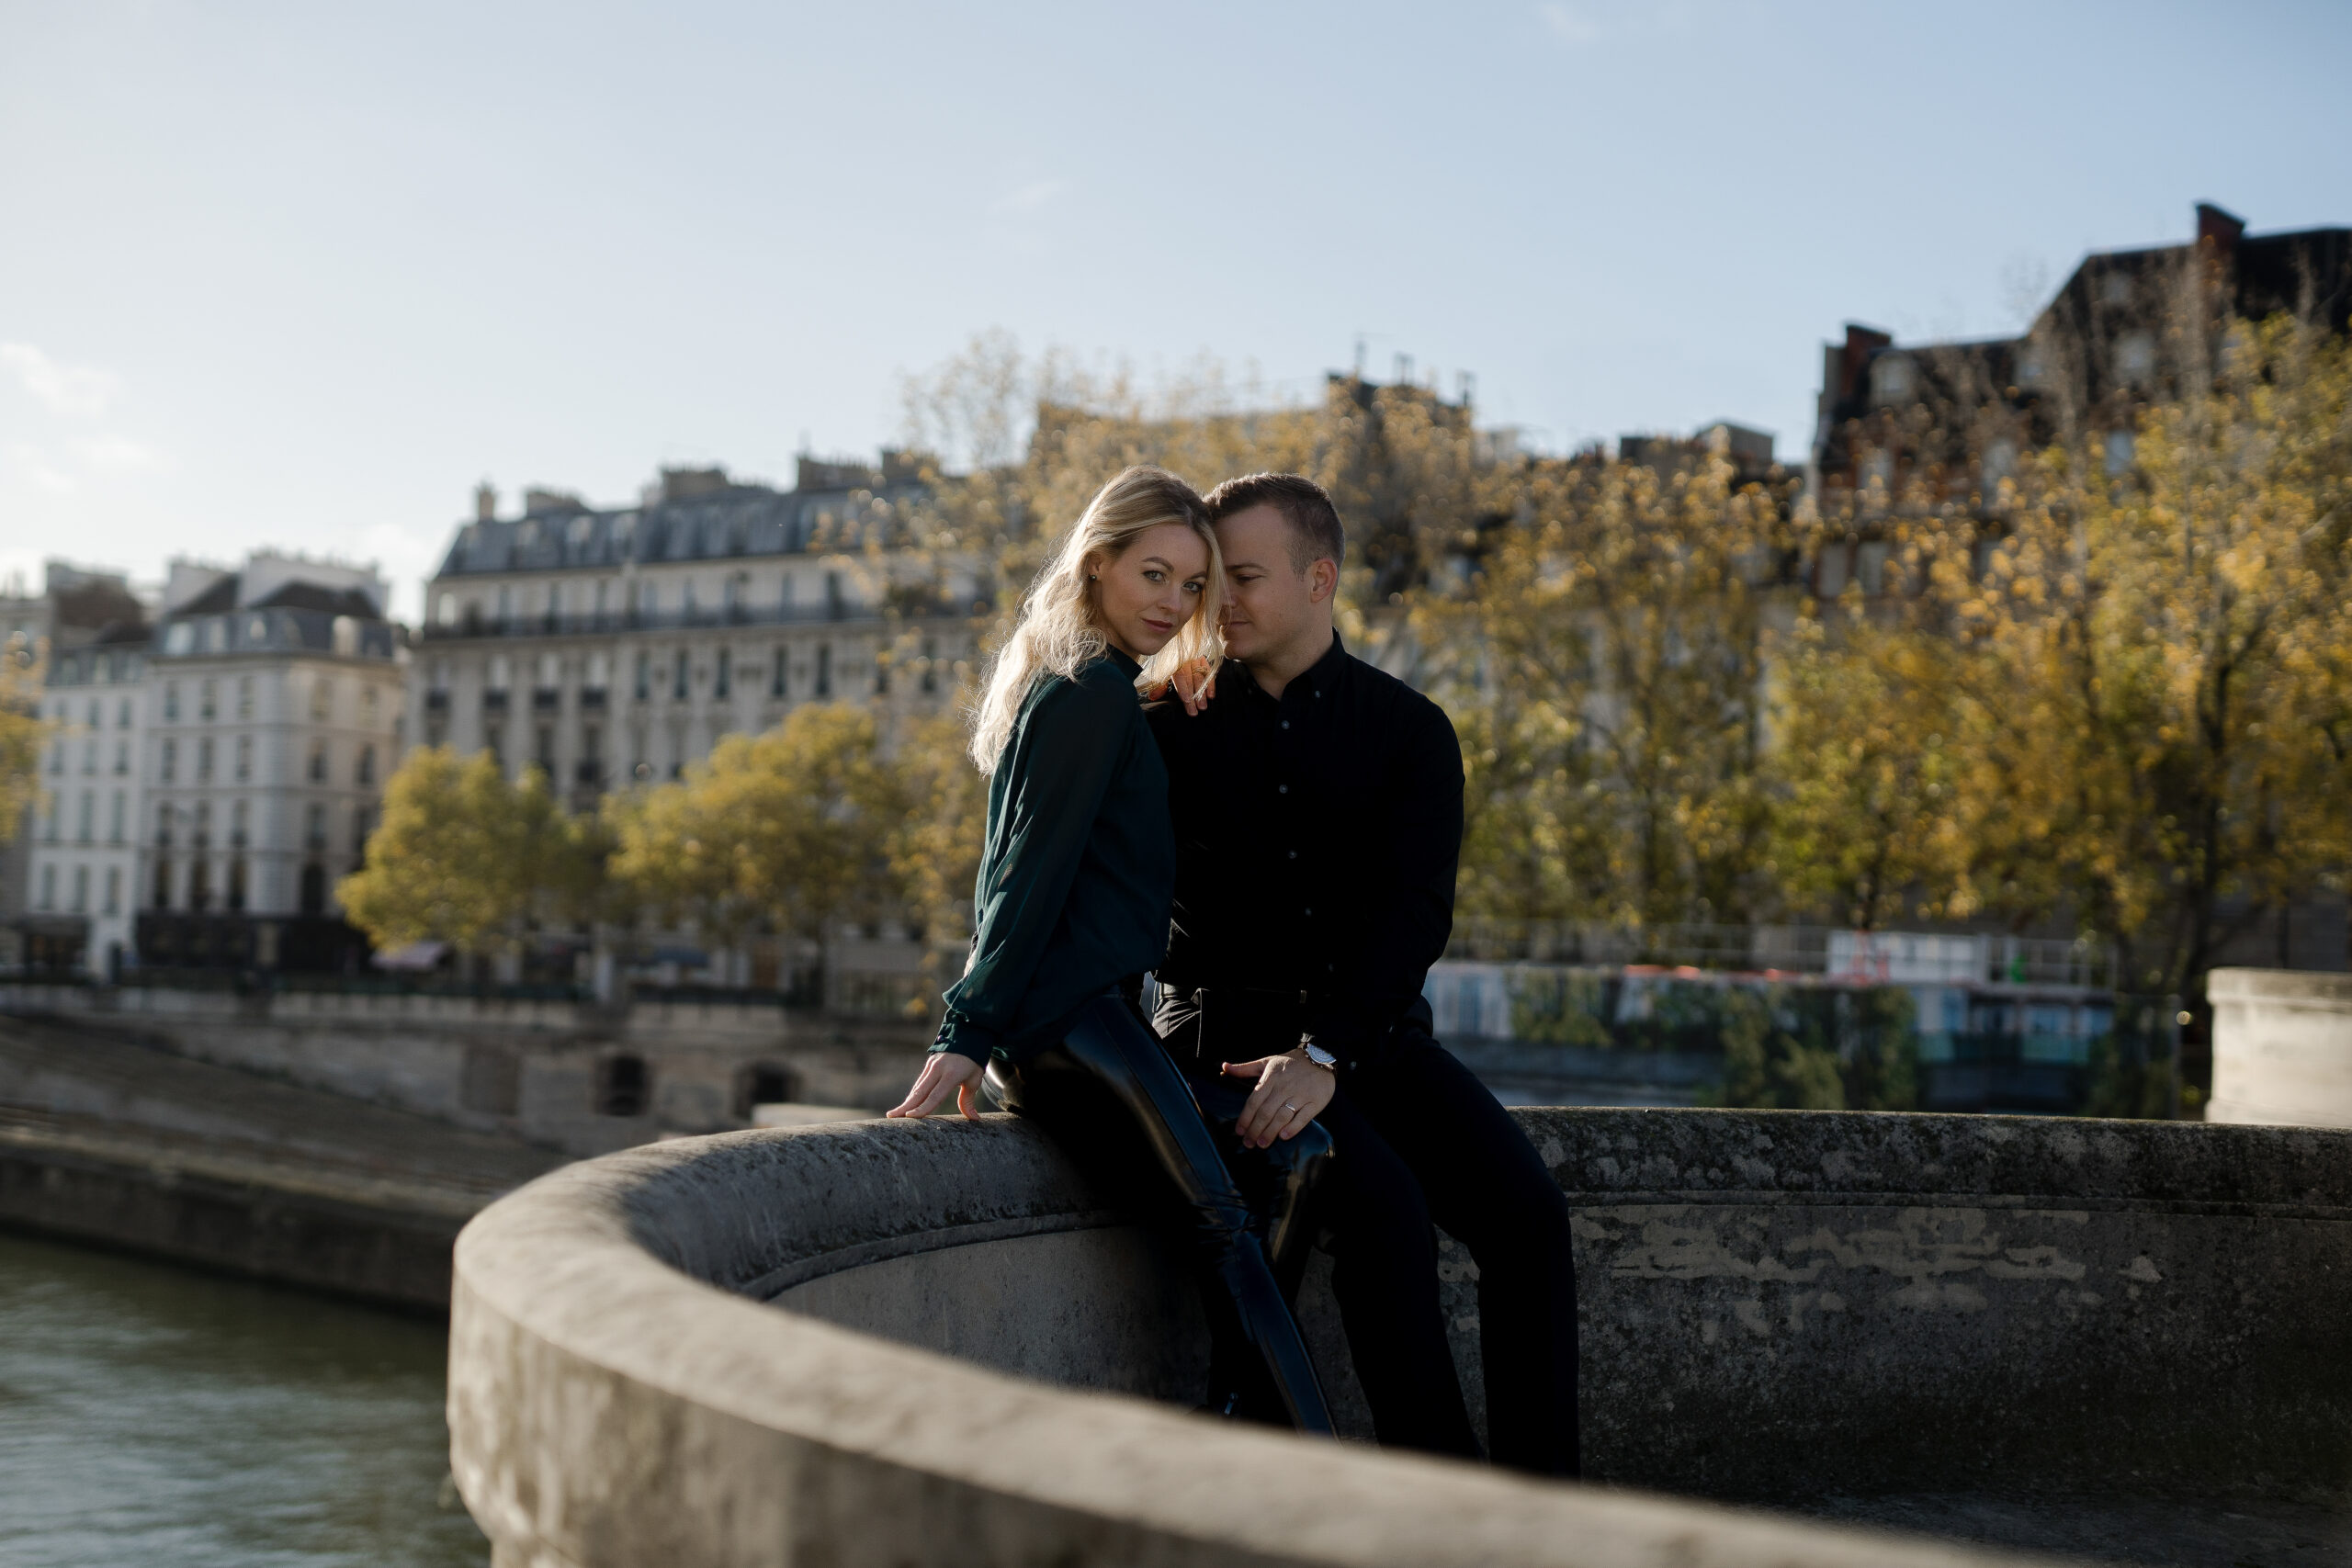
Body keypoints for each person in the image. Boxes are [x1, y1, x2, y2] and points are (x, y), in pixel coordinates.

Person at [1148, 471, 1582, 1477]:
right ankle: (1443, 1507)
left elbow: (1413, 916)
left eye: (1243, 578)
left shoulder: (1410, 729)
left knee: (1529, 1215)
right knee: (1382, 1211)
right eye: (1213, 581)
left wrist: (1328, 1052)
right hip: (1219, 1045)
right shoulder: (1164, 724)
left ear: (1320, 579)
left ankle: (1547, 1509)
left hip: (1369, 1037)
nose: (1220, 603)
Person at [887, 465, 1336, 1435]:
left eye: (1192, 588)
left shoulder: (1084, 683)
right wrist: (965, 1029)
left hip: (1088, 1018)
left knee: (1300, 1149)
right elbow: (1023, 879)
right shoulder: (1089, 692)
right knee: (1224, 1222)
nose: (1174, 606)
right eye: (1155, 577)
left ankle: (1231, 1412)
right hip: (1067, 1021)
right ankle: (1318, 1474)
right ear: (1098, 566)